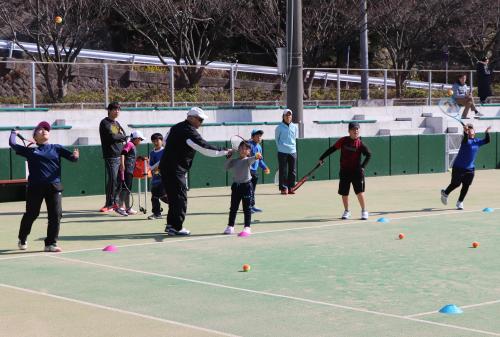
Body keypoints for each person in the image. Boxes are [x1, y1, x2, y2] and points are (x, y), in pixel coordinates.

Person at [9, 122, 79, 252]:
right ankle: (22, 237)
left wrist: (75, 156)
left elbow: (72, 159)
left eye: (46, 129)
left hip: (54, 186)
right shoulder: (30, 151)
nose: (44, 131)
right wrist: (13, 133)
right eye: (40, 130)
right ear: (35, 137)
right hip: (35, 187)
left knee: (56, 215)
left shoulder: (56, 148)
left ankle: (50, 244)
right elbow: (13, 144)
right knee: (31, 214)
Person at [159, 107, 229, 236]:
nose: (201, 122)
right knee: (180, 198)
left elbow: (164, 142)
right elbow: (204, 147)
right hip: (175, 169)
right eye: (200, 119)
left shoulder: (175, 127)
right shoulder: (189, 131)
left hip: (166, 167)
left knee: (174, 198)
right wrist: (225, 151)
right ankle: (177, 227)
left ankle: (171, 225)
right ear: (191, 118)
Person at [317, 122, 371, 220]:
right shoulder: (343, 140)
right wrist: (322, 157)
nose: (356, 131)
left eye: (357, 129)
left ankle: (364, 211)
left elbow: (369, 155)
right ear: (349, 131)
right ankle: (347, 211)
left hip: (356, 172)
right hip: (344, 171)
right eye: (354, 129)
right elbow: (332, 149)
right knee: (344, 193)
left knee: (359, 192)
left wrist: (362, 167)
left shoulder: (360, 143)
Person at [441, 124, 491, 210]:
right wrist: (465, 131)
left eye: (472, 129)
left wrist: (487, 132)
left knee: (466, 186)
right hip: (458, 167)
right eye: (469, 130)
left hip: (470, 169)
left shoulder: (477, 141)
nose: (470, 130)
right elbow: (465, 138)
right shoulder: (465, 141)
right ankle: (445, 193)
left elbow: (487, 140)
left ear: (474, 132)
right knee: (456, 184)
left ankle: (460, 202)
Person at [223, 141, 262, 235]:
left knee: (247, 208)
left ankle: (247, 227)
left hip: (247, 187)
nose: (243, 150)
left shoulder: (248, 160)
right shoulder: (234, 161)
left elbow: (253, 159)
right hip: (236, 187)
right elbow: (225, 167)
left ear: (249, 151)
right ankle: (230, 226)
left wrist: (257, 156)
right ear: (238, 149)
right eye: (241, 148)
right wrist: (228, 157)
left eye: (245, 148)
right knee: (233, 208)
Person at [99, 102, 127, 212]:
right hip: (110, 156)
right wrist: (122, 137)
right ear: (109, 111)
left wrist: (121, 137)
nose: (117, 111)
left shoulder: (116, 123)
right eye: (115, 109)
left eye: (119, 109)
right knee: (112, 180)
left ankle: (116, 203)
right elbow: (113, 137)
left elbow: (120, 136)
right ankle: (109, 204)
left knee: (119, 181)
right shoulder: (105, 122)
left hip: (120, 156)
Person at [115, 130, 144, 216]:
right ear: (136, 138)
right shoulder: (130, 144)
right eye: (140, 139)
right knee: (124, 189)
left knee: (127, 190)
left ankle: (128, 208)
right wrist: (122, 164)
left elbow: (130, 156)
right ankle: (120, 207)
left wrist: (138, 158)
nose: (140, 141)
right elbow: (123, 153)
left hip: (130, 170)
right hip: (126, 170)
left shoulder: (133, 145)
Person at [275, 108, 298, 195]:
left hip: (293, 151)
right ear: (283, 117)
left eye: (290, 115)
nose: (288, 117)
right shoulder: (279, 127)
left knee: (293, 170)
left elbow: (294, 138)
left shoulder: (295, 127)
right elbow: (277, 139)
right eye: (286, 115)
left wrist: (292, 148)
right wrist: (281, 148)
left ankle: (291, 187)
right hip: (282, 152)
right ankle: (283, 188)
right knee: (283, 170)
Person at [248, 129, 270, 212]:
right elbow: (244, 157)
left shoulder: (259, 147)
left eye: (260, 136)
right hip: (248, 171)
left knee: (252, 190)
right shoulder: (248, 145)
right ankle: (247, 207)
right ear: (253, 137)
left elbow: (260, 160)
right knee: (248, 190)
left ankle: (252, 205)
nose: (259, 137)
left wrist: (265, 167)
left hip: (254, 172)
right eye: (257, 136)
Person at [147, 133, 168, 220]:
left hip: (165, 178)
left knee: (160, 196)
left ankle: (176, 206)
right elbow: (151, 166)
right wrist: (158, 164)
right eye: (153, 141)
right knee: (157, 197)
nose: (155, 142)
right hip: (155, 179)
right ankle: (157, 214)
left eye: (157, 140)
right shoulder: (152, 153)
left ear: (162, 141)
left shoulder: (166, 151)